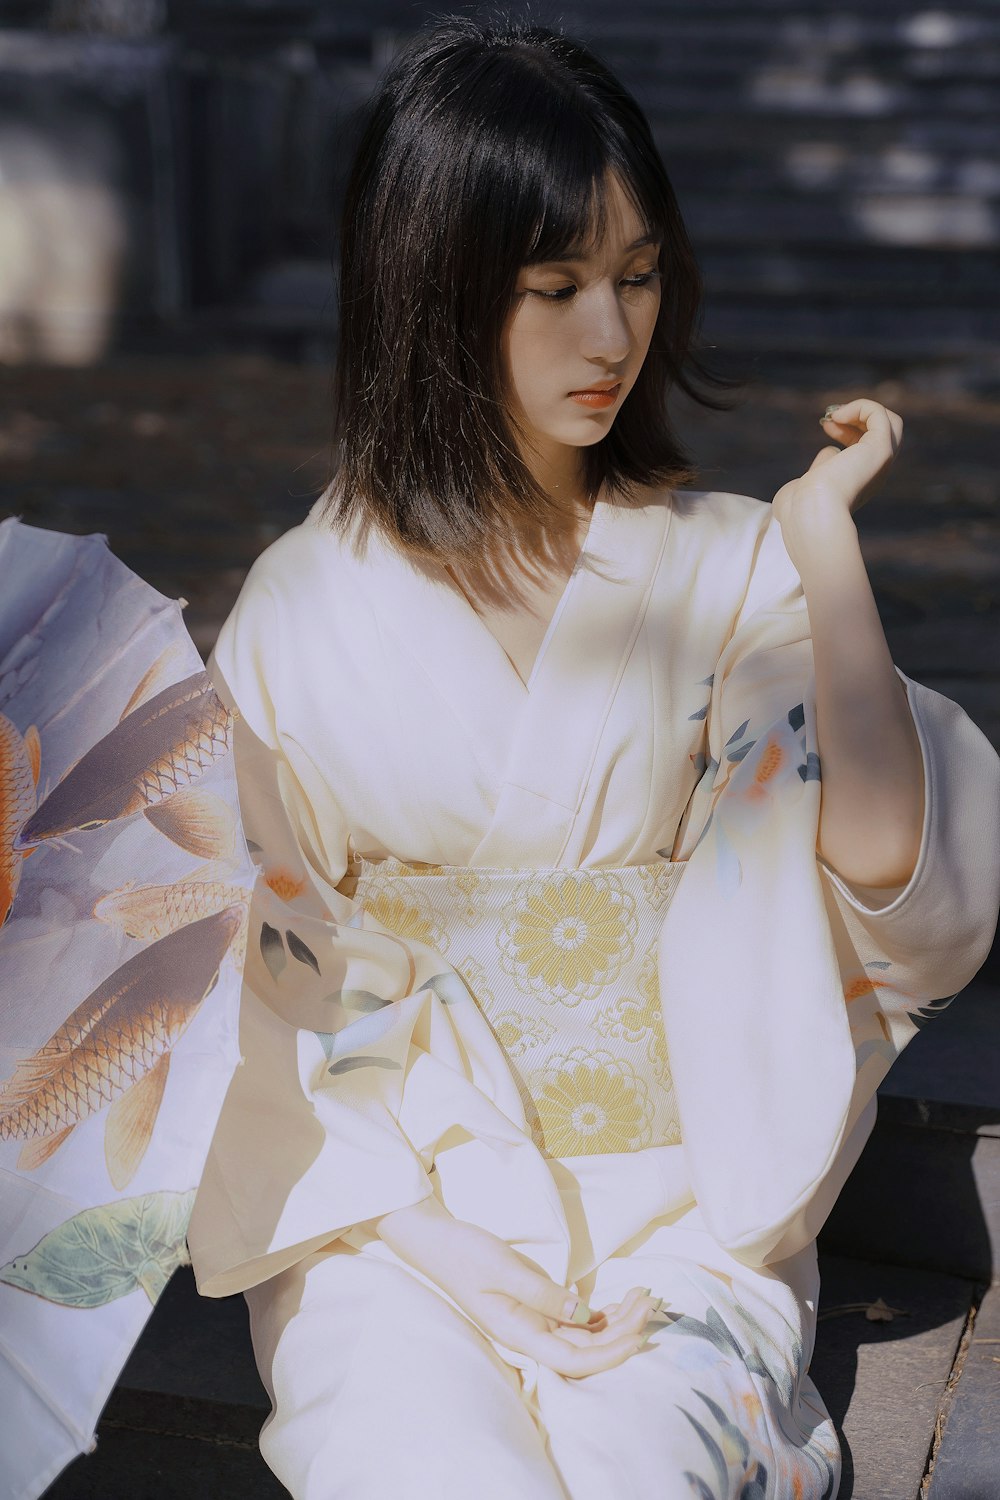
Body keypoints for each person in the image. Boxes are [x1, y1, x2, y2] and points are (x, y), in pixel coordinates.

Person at [185, 16, 1000, 1499]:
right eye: (554, 288)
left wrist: (822, 556)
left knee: (644, 1462)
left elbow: (889, 872)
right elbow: (264, 966)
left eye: (636, 277)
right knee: (410, 1461)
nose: (614, 336)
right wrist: (424, 1237)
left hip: (678, 1203)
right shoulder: (304, 608)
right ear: (433, 296)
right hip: (391, 1206)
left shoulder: (723, 563)